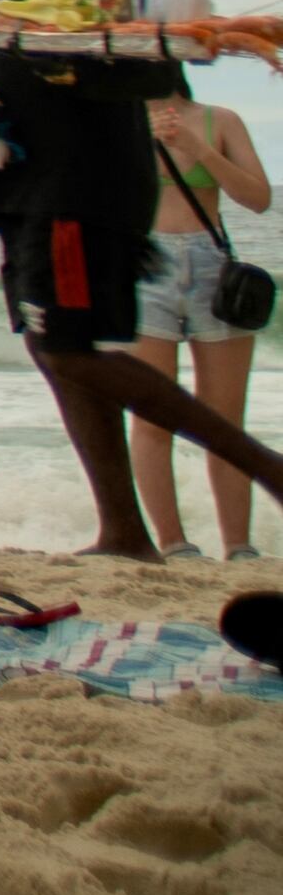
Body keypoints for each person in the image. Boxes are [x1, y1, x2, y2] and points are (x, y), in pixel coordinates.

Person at [0, 0, 283, 557]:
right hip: (35, 196)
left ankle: (267, 467)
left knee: (72, 349)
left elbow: (151, 72)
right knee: (56, 347)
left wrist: (61, 66)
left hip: (79, 192)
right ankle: (123, 529)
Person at [132, 89, 266, 561]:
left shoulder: (219, 120)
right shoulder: (120, 120)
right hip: (146, 264)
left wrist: (198, 148)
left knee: (226, 419)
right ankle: (173, 543)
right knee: (153, 416)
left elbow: (258, 198)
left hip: (211, 265)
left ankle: (239, 545)